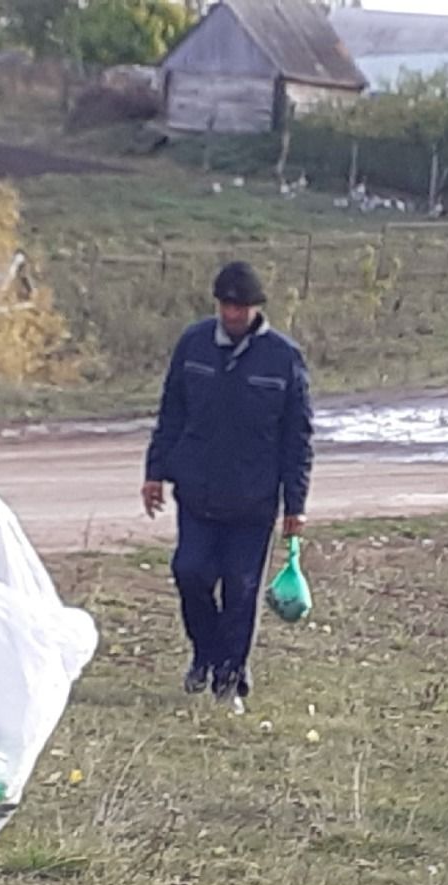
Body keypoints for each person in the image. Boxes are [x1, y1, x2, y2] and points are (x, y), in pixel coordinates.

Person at [142, 261, 314, 713]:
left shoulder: (283, 358)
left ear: (255, 308)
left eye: (240, 306)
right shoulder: (193, 344)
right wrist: (154, 472)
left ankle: (229, 679)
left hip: (255, 501)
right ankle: (205, 654)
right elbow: (171, 412)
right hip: (197, 491)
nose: (231, 314)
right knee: (190, 572)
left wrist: (296, 506)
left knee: (241, 589)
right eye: (225, 305)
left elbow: (298, 438)